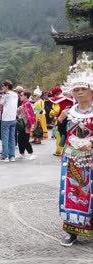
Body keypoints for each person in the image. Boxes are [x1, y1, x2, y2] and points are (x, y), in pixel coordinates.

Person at [58, 55, 93, 247]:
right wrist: (61, 120)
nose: (79, 93)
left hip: (91, 158)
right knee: (74, 194)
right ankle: (71, 231)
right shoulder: (70, 111)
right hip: (73, 159)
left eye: (83, 89)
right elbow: (62, 134)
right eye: (76, 89)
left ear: (91, 91)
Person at [49, 87, 75, 156]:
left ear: (54, 95)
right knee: (69, 135)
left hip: (61, 120)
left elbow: (56, 111)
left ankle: (59, 151)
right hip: (71, 120)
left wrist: (51, 114)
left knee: (59, 135)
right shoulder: (72, 100)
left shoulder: (57, 101)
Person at [0, 80, 18, 162]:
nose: (2, 88)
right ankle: (12, 156)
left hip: (6, 118)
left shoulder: (5, 95)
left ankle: (4, 155)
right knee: (12, 138)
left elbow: (0, 106)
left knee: (5, 138)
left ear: (7, 86)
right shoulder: (15, 94)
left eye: (3, 86)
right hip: (13, 118)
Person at [16, 91, 36, 160]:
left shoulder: (27, 104)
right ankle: (22, 153)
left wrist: (32, 124)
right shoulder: (23, 104)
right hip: (22, 123)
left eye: (21, 95)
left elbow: (30, 115)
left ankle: (31, 153)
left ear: (26, 96)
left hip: (26, 124)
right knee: (20, 139)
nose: (20, 96)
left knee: (25, 139)